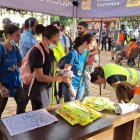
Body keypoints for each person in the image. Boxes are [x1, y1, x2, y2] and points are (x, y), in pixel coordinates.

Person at [28, 25, 71, 110]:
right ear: (45, 39)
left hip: (49, 89)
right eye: (54, 41)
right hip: (39, 92)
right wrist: (60, 78)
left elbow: (50, 68)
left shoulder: (50, 50)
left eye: (58, 40)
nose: (56, 44)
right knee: (41, 117)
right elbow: (40, 77)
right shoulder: (36, 52)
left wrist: (61, 72)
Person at [0, 24, 25, 118]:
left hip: (15, 83)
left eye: (20, 35)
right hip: (3, 84)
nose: (19, 38)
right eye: (17, 35)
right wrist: (1, 88)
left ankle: (19, 124)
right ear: (9, 36)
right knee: (1, 107)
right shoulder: (1, 49)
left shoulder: (15, 48)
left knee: (22, 103)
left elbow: (20, 62)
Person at [63, 34, 92, 102]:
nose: (92, 48)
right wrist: (70, 87)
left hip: (80, 85)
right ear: (85, 44)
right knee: (70, 109)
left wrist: (85, 73)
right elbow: (66, 73)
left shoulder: (84, 54)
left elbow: (81, 68)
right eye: (91, 46)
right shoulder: (72, 54)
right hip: (71, 85)